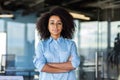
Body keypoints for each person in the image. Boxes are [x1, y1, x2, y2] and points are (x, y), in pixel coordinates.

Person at [33, 6, 80, 80]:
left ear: (63, 26)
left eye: (59, 23)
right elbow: (41, 66)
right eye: (52, 23)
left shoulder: (70, 44)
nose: (55, 26)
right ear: (47, 26)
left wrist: (48, 65)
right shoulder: (42, 45)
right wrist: (65, 68)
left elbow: (75, 63)